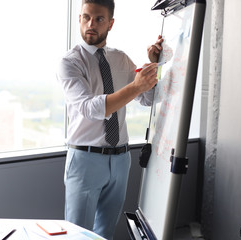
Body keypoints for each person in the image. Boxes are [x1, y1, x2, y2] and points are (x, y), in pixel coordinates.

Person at [57, 0, 163, 239]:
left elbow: (147, 98)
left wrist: (155, 64)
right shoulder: (70, 62)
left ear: (111, 24)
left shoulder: (121, 59)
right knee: (78, 235)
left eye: (98, 19)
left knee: (105, 234)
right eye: (85, 17)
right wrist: (135, 87)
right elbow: (89, 107)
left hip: (120, 160)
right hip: (85, 160)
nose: (90, 25)